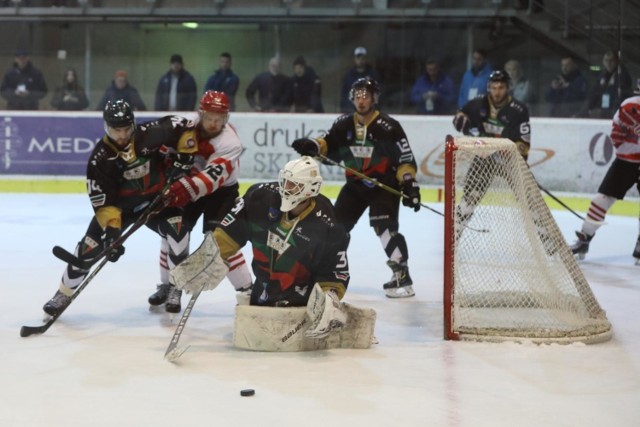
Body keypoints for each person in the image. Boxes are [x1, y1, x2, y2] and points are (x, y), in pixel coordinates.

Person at [41, 100, 195, 318]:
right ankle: (63, 294)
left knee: (180, 231)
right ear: (107, 127)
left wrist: (186, 156)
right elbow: (104, 203)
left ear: (132, 124)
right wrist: (113, 235)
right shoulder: (100, 159)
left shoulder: (150, 133)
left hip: (158, 203)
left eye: (126, 129)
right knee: (90, 247)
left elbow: (185, 125)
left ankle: (175, 286)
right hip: (122, 211)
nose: (122, 135)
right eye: (116, 130)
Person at [174, 156, 351, 339]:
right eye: (285, 181)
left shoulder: (328, 223)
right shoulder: (259, 198)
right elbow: (229, 233)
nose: (285, 188)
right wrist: (208, 259)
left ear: (310, 189)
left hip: (301, 308)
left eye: (293, 184)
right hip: (262, 297)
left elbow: (333, 269)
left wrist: (330, 299)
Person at [292, 77, 421, 298]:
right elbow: (327, 144)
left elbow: (405, 159)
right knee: (335, 227)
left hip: (384, 184)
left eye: (366, 96)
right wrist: (312, 145)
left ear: (374, 99)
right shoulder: (343, 124)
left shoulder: (389, 127)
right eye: (358, 96)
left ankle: (402, 274)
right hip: (355, 185)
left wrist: (410, 184)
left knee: (384, 228)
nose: (361, 101)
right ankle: (325, 271)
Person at [148, 90, 252, 310]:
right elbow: (164, 148)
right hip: (189, 187)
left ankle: (247, 291)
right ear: (201, 114)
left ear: (226, 118)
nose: (214, 123)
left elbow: (209, 180)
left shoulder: (230, 143)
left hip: (221, 193)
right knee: (174, 231)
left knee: (221, 241)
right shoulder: (186, 127)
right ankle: (169, 286)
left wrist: (175, 189)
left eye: (219, 119)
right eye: (209, 118)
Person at [569, 93, 640, 263]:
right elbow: (615, 139)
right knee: (601, 199)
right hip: (626, 160)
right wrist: (628, 128)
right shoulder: (628, 106)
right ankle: (584, 238)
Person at [453, 70, 531, 160]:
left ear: (508, 88)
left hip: (508, 161)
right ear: (489, 88)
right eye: (493, 88)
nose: (497, 93)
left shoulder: (519, 110)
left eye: (501, 88)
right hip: (482, 158)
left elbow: (524, 145)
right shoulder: (479, 102)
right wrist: (460, 119)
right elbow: (460, 114)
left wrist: (505, 152)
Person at [585, 50, 633, 119]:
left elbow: (620, 96)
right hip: (602, 111)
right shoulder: (602, 76)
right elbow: (595, 93)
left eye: (611, 60)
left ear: (617, 61)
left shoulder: (622, 76)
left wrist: (606, 112)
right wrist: (589, 108)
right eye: (606, 60)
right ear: (603, 62)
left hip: (614, 113)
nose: (609, 63)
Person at [339, 47, 382, 114]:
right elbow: (344, 96)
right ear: (354, 59)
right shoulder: (349, 76)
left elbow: (378, 94)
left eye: (363, 58)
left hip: (370, 113)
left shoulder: (373, 75)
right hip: (351, 113)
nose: (361, 60)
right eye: (358, 58)